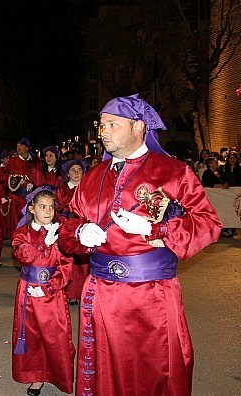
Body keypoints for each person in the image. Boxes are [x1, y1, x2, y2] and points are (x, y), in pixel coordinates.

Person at [58, 94, 222, 396]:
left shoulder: (173, 172)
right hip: (101, 292)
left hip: (152, 294)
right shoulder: (92, 177)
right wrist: (80, 233)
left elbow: (209, 224)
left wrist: (157, 227)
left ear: (138, 127)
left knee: (155, 369)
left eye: (111, 124)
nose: (102, 131)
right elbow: (68, 225)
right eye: (101, 125)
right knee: (107, 372)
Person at [11, 187, 74, 395]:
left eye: (51, 207)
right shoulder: (22, 233)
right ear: (32, 209)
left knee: (55, 334)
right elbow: (23, 255)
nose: (48, 211)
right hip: (28, 291)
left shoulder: (60, 232)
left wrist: (49, 287)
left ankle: (57, 374)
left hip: (52, 293)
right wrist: (42, 244)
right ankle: (36, 376)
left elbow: (66, 265)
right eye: (42, 207)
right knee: (32, 335)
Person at [56, 158, 89, 305]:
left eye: (79, 170)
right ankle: (70, 292)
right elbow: (57, 208)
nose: (76, 173)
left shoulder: (88, 187)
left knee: (84, 263)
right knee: (69, 261)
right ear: (67, 173)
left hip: (84, 227)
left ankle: (83, 292)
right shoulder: (62, 190)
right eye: (73, 170)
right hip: (67, 228)